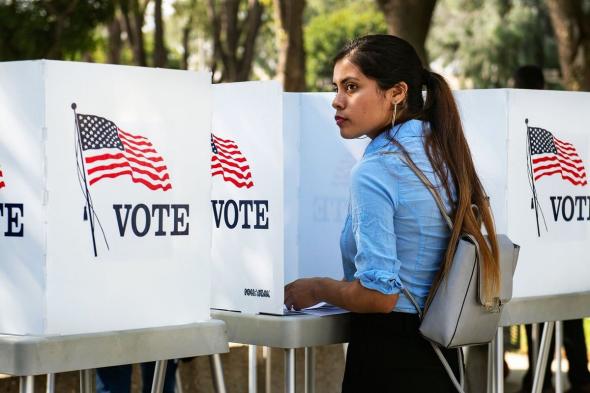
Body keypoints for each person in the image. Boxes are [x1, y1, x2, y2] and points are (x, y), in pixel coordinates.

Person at [284, 34, 501, 392]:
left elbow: (379, 295)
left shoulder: (378, 169)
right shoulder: (442, 152)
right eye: (336, 87)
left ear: (397, 92)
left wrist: (318, 287)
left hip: (388, 360)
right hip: (441, 356)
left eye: (351, 87)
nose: (336, 101)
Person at [514, 64, 590, 393]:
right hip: (564, 234)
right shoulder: (556, 117)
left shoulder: (523, 120)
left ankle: (539, 378)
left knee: (537, 318)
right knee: (566, 316)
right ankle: (578, 377)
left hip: (537, 237)